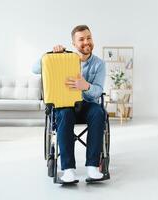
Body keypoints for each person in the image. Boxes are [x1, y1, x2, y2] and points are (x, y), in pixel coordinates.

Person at [32, 25, 106, 183]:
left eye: (89, 38)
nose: (86, 42)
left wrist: (85, 86)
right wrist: (51, 54)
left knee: (98, 112)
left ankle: (93, 167)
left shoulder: (99, 64)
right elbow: (35, 69)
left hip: (86, 105)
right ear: (73, 43)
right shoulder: (61, 58)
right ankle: (68, 170)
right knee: (64, 114)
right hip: (65, 104)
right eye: (81, 39)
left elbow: (98, 91)